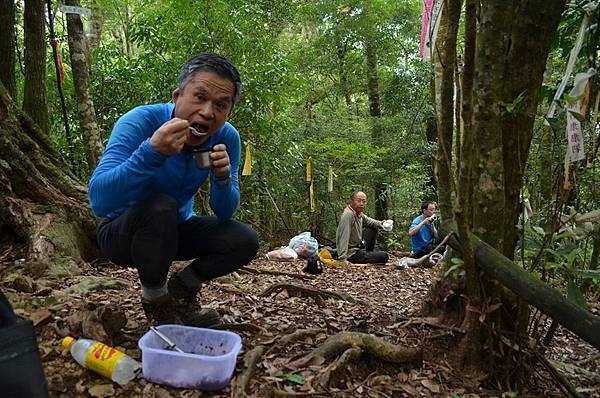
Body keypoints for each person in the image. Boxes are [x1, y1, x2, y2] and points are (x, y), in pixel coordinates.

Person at [89, 53, 259, 327]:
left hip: (175, 230)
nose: (207, 112)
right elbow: (99, 201)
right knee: (161, 207)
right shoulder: (139, 122)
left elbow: (225, 212)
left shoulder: (226, 137)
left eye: (220, 104)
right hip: (123, 232)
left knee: (245, 239)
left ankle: (183, 288)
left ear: (228, 111)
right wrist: (151, 152)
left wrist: (223, 178)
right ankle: (157, 302)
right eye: (199, 97)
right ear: (177, 96)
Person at [335, 191, 389, 265]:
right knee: (384, 256)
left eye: (364, 201)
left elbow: (367, 220)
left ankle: (368, 253)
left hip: (359, 246)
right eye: (358, 201)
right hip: (351, 253)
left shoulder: (358, 213)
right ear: (351, 201)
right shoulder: (348, 215)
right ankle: (366, 255)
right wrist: (342, 258)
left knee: (373, 228)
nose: (361, 204)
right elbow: (343, 237)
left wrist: (380, 223)